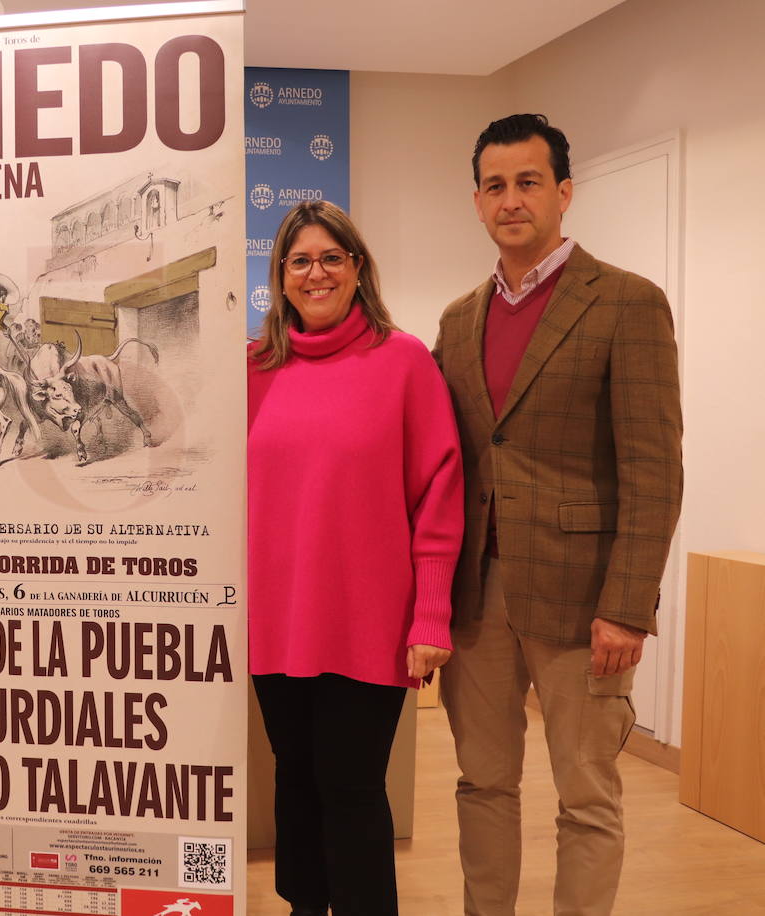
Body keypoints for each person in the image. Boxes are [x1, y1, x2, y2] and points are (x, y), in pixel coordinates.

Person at [433, 114, 683, 916]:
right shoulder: (458, 318)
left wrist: (627, 606)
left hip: (585, 604)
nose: (512, 200)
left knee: (587, 797)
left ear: (564, 192)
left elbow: (654, 470)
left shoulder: (627, 303)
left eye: (529, 182)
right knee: (483, 782)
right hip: (480, 597)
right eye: (496, 185)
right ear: (477, 201)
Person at [247, 200, 463, 915]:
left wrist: (431, 615)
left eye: (331, 258)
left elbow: (438, 490)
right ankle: (305, 907)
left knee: (351, 786)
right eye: (300, 260)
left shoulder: (400, 361)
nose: (316, 273)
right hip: (273, 620)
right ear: (280, 277)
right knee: (295, 777)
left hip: (368, 618)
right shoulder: (252, 369)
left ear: (357, 269)